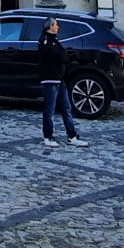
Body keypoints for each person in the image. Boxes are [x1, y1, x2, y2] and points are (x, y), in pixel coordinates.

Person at [37, 15, 88, 148]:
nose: (58, 27)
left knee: (66, 108)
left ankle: (72, 136)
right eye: (56, 24)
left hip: (59, 79)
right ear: (50, 27)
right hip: (50, 79)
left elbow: (62, 55)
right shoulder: (46, 41)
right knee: (50, 110)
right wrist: (68, 56)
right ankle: (48, 136)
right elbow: (59, 56)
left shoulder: (54, 40)